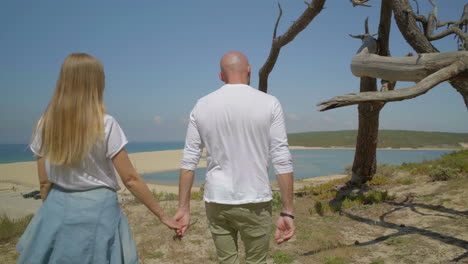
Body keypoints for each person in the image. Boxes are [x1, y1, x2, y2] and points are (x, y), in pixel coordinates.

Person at [16, 53, 181, 264]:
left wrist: (51, 210)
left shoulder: (45, 124)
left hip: (57, 207)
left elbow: (44, 180)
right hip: (99, 211)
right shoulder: (105, 123)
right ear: (95, 83)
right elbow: (130, 179)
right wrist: (163, 216)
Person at [174, 51, 295, 264]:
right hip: (255, 199)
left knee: (226, 260)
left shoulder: (202, 105)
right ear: (249, 70)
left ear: (221, 76)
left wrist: (183, 208)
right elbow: (281, 157)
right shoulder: (269, 103)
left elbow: (189, 161)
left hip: (217, 199)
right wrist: (288, 211)